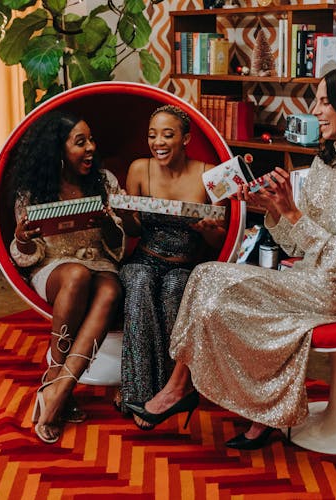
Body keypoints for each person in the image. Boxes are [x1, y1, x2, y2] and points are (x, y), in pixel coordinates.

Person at [126, 65, 336, 449]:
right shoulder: (325, 159)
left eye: (324, 102)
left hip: (334, 291)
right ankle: (182, 387)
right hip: (304, 276)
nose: (315, 111)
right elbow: (296, 247)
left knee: (216, 287)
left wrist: (293, 213)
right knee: (203, 275)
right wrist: (270, 209)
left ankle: (219, 400)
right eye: (315, 101)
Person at [8, 109, 125, 444]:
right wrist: (21, 238)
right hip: (55, 268)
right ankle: (54, 379)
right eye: (80, 142)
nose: (91, 147)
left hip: (100, 263)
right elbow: (28, 256)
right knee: (76, 276)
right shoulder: (34, 190)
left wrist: (107, 224)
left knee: (110, 291)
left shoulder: (104, 182)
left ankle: (59, 391)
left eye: (91, 139)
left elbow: (116, 246)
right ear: (58, 149)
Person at [116, 104, 225, 430]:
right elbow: (134, 231)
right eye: (152, 135)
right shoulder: (138, 169)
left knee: (176, 288)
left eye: (167, 134)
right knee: (137, 282)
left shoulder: (212, 173)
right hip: (145, 258)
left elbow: (223, 242)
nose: (158, 142)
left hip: (184, 265)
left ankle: (168, 392)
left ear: (186, 138)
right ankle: (137, 390)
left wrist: (209, 231)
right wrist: (124, 215)